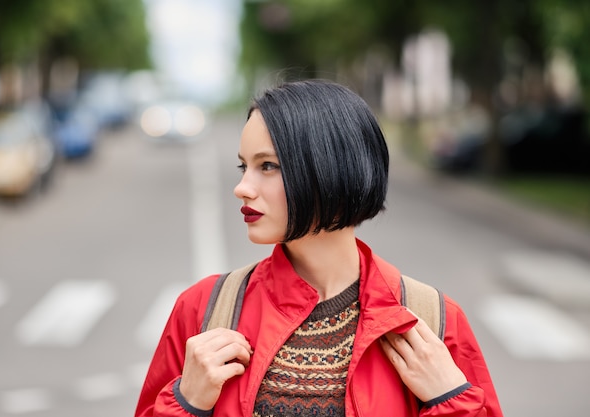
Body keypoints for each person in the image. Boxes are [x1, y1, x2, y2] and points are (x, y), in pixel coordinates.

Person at [135, 79, 503, 417]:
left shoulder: (432, 320)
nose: (242, 187)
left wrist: (450, 399)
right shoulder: (203, 310)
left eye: (267, 166)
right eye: (243, 166)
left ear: (329, 169)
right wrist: (187, 402)